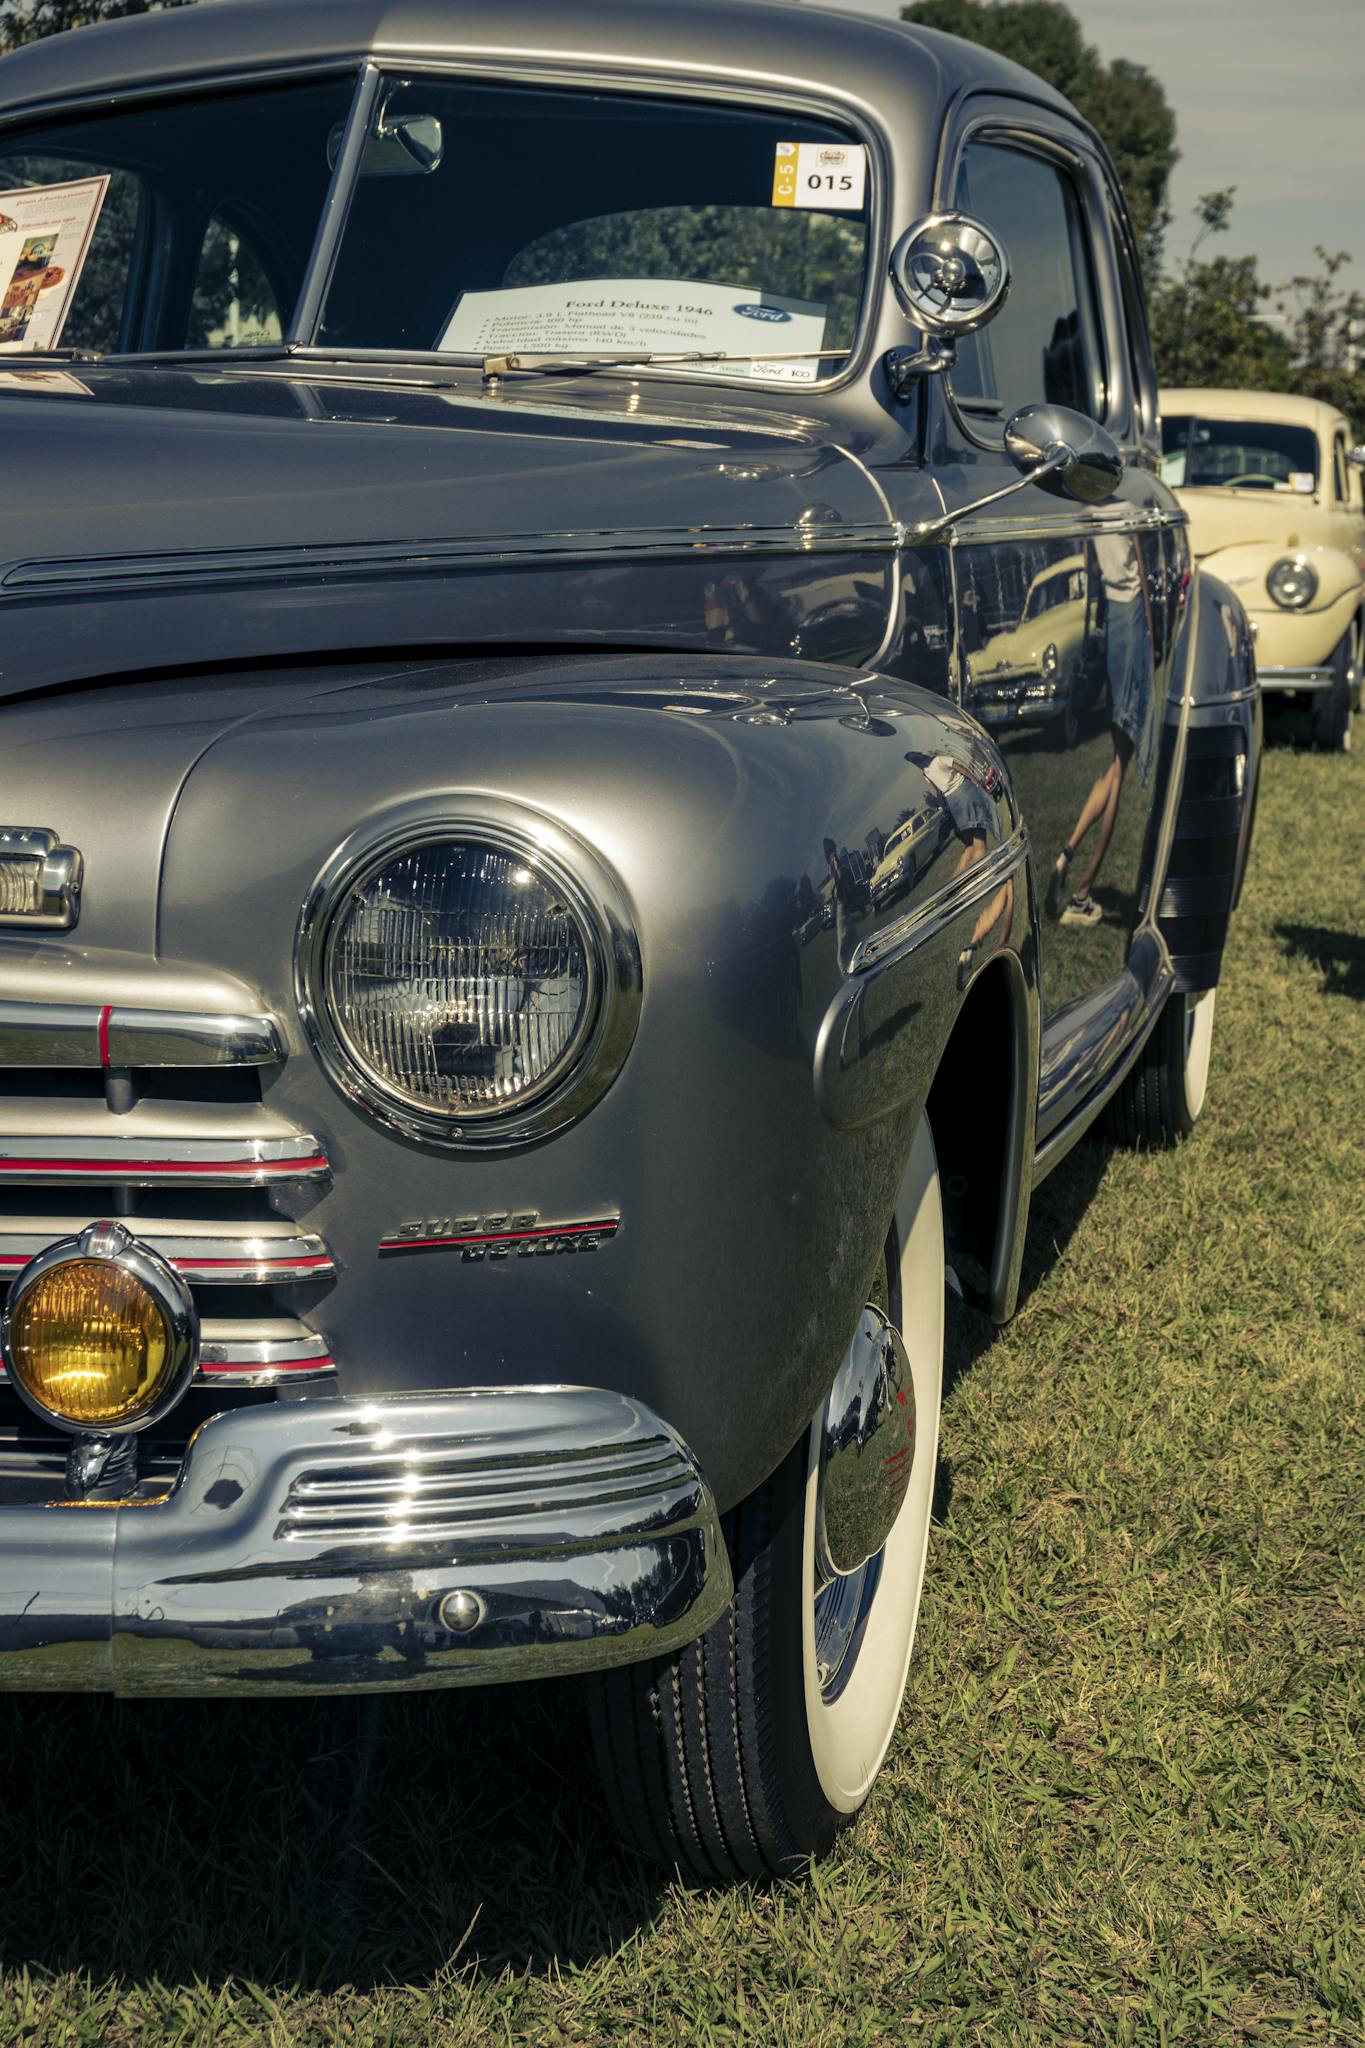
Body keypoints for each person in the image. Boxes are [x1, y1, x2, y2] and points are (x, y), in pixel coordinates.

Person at [1046, 532, 1157, 928]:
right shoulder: (1127, 503)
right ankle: (1081, 894)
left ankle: (1068, 852)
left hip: (1110, 620)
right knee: (1119, 771)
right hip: (1131, 621)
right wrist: (1153, 639)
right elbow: (1143, 574)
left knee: (1113, 766)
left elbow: (1090, 569)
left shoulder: (1091, 507)